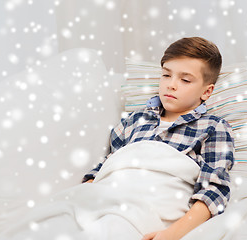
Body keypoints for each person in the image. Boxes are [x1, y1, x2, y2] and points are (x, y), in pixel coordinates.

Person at [82, 37, 235, 240]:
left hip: (154, 204)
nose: (171, 85)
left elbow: (214, 190)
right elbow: (109, 164)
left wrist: (170, 234)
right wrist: (85, 194)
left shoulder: (214, 127)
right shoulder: (134, 120)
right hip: (110, 196)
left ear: (207, 91)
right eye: (166, 75)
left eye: (185, 80)